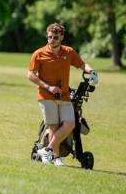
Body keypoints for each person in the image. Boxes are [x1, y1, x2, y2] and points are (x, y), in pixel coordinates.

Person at [27, 23, 97, 166]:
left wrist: (93, 72)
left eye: (55, 37)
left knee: (70, 123)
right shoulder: (39, 54)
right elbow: (30, 75)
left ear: (62, 38)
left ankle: (47, 150)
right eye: (49, 37)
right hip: (46, 96)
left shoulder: (69, 52)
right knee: (53, 127)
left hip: (64, 96)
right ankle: (56, 157)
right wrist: (48, 87)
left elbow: (82, 64)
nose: (51, 40)